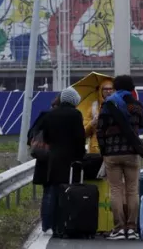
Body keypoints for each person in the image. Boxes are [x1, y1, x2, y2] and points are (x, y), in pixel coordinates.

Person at [96, 75, 143, 240]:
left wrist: (104, 152)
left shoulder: (108, 105)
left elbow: (100, 130)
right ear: (131, 88)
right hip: (131, 153)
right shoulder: (136, 105)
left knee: (116, 190)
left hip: (111, 154)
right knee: (132, 191)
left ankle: (118, 229)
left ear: (115, 87)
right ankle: (131, 228)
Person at [40, 88, 87, 235]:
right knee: (66, 191)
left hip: (53, 157)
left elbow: (45, 136)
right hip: (70, 158)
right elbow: (80, 137)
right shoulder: (75, 114)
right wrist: (80, 156)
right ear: (74, 101)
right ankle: (63, 223)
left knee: (51, 190)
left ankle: (48, 224)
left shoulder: (50, 114)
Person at [29, 95, 61, 234]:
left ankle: (45, 223)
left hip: (43, 158)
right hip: (55, 158)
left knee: (47, 190)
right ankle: (51, 223)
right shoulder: (58, 117)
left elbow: (30, 135)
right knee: (53, 190)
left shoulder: (43, 116)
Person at [84, 78, 114, 154]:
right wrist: (92, 123)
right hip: (96, 150)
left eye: (111, 89)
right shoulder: (93, 107)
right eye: (105, 89)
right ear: (101, 90)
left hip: (113, 147)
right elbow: (84, 133)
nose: (108, 91)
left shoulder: (119, 105)